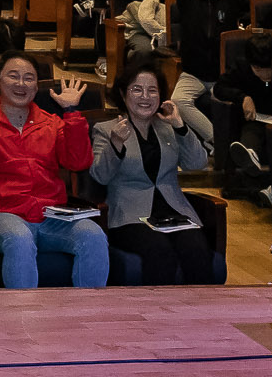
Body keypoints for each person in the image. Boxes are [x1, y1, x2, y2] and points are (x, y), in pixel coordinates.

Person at [0, 54, 107, 287]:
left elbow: (78, 162)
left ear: (37, 86)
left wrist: (72, 112)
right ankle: (23, 317)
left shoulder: (50, 122)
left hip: (51, 216)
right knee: (19, 238)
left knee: (93, 236)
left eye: (28, 78)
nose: (21, 84)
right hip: (2, 214)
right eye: (13, 76)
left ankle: (88, 316)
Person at [89, 58, 213, 284]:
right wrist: (115, 144)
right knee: (160, 252)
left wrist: (181, 126)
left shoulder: (168, 127)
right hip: (130, 216)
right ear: (123, 93)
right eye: (137, 90)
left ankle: (199, 315)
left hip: (173, 211)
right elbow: (101, 175)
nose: (145, 97)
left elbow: (197, 163)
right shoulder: (106, 129)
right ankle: (157, 316)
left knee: (197, 250)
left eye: (152, 91)